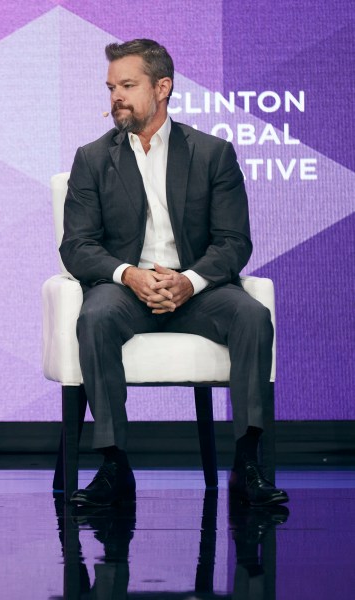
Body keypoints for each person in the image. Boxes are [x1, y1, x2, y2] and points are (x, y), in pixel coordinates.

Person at [60, 40, 288, 507]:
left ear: (162, 87)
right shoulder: (92, 158)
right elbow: (77, 246)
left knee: (251, 316)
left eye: (127, 85)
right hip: (126, 291)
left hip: (198, 291)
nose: (116, 97)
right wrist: (128, 275)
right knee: (95, 317)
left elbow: (234, 242)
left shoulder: (211, 154)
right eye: (111, 87)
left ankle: (247, 464)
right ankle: (113, 465)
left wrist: (190, 281)